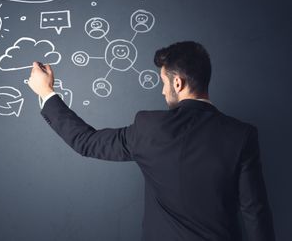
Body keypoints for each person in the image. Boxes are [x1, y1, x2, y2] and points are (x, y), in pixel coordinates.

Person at [27, 41, 275, 241]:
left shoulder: (149, 128)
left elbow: (86, 141)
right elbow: (255, 212)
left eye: (164, 83)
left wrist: (46, 92)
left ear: (178, 82)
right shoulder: (242, 134)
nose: (163, 91)